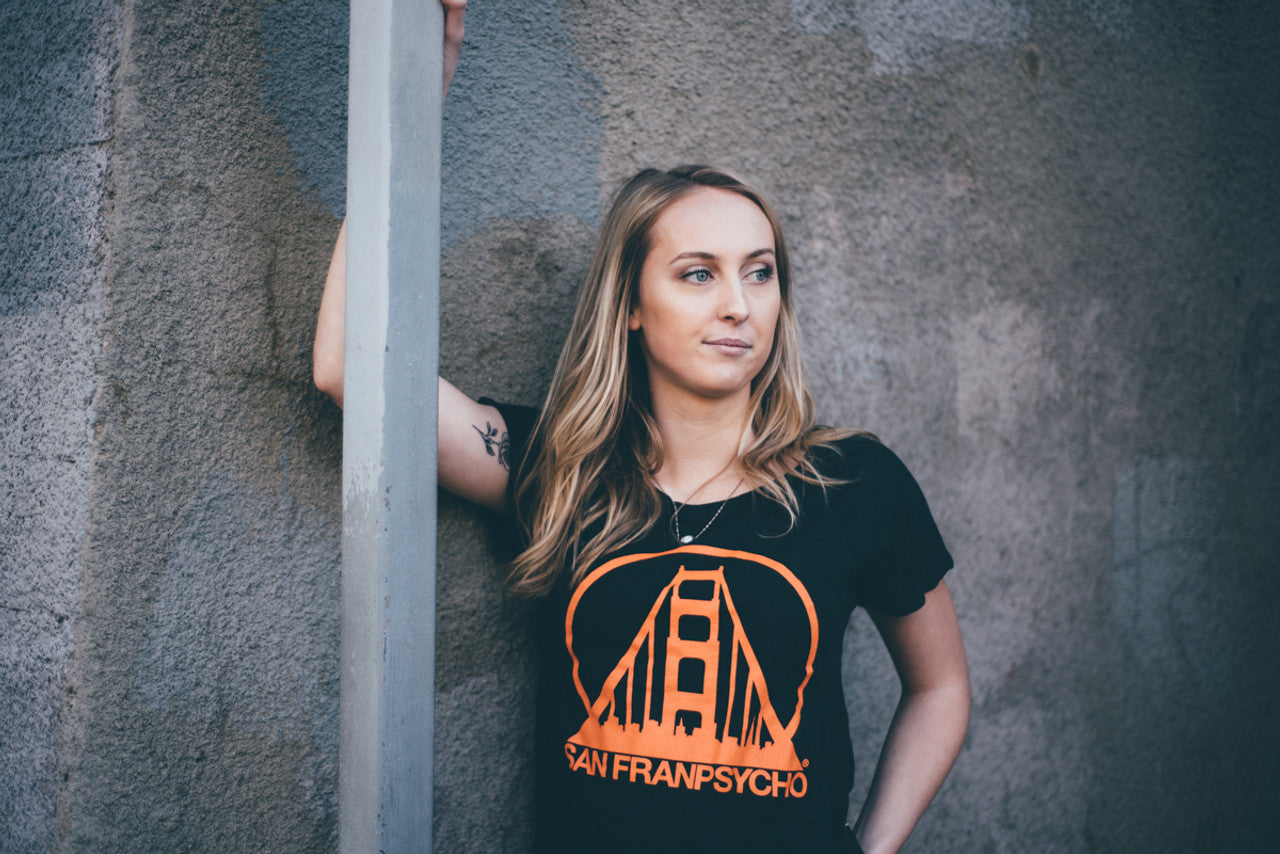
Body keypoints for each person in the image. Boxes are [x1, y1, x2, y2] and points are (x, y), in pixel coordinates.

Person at [314, 3, 968, 852]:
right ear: (629, 305)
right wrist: (414, 103)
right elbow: (348, 368)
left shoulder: (855, 484)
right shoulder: (564, 469)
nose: (739, 304)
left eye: (759, 273)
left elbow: (941, 688)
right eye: (698, 274)